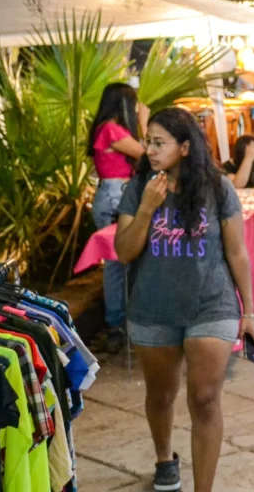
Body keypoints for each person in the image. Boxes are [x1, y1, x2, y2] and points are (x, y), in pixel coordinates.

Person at [114, 108, 254, 492]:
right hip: (154, 307)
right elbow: (125, 252)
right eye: (147, 140)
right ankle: (165, 457)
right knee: (161, 395)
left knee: (206, 397)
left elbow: (238, 253)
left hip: (211, 305)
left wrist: (250, 311)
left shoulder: (218, 188)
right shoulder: (140, 187)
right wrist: (147, 207)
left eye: (159, 142)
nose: (149, 149)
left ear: (184, 147)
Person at [86, 82, 149, 353]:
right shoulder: (112, 129)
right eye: (133, 103)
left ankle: (121, 323)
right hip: (115, 196)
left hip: (114, 194)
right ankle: (117, 324)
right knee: (115, 264)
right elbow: (146, 155)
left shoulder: (108, 128)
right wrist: (144, 123)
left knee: (121, 263)